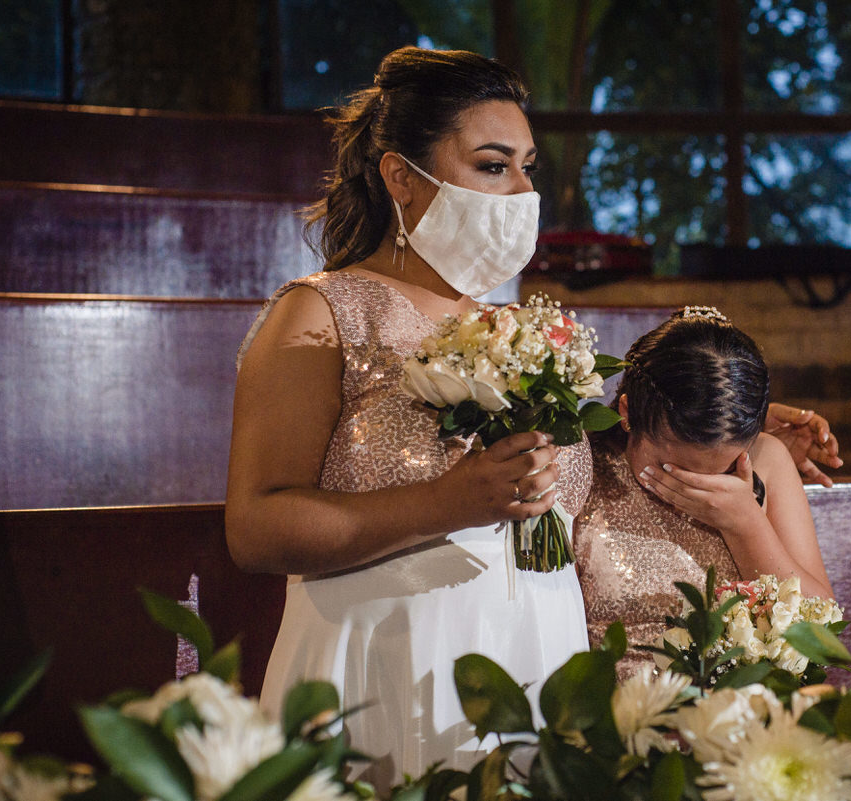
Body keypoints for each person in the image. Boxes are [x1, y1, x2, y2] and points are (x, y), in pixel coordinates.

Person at [225, 47, 591, 793]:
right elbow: (256, 528)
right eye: (493, 166)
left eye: (528, 168)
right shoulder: (322, 313)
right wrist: (446, 503)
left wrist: (749, 435)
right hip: (387, 657)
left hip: (535, 651)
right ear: (401, 176)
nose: (523, 192)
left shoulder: (521, 330)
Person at [576, 308, 835, 677]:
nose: (700, 489)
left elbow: (823, 633)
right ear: (628, 412)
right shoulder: (583, 467)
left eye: (724, 472)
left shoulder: (766, 458)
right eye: (675, 469)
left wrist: (745, 524)